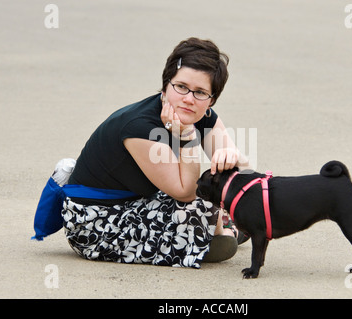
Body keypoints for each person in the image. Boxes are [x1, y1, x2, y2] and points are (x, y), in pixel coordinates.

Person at [61, 37, 250, 268]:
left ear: (211, 100)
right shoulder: (140, 128)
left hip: (139, 200)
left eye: (200, 92)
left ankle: (216, 228)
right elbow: (185, 192)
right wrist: (187, 137)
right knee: (203, 201)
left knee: (217, 194)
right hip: (96, 223)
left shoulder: (198, 112)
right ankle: (223, 233)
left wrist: (229, 158)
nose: (188, 99)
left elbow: (238, 166)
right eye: (181, 87)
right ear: (166, 84)